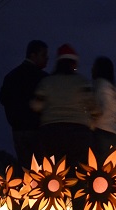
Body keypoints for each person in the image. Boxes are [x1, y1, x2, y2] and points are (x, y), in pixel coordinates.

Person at [31, 43, 98, 172]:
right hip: (79, 133)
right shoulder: (81, 82)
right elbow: (93, 106)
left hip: (51, 132)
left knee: (53, 173)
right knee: (78, 172)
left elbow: (35, 105)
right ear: (73, 64)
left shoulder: (47, 82)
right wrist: (93, 121)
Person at [0, 40, 49, 171]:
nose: (47, 59)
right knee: (43, 171)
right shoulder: (44, 78)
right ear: (33, 55)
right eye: (43, 55)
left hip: (18, 130)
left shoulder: (11, 76)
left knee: (26, 169)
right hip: (39, 130)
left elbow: (3, 98)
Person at [91, 56, 116, 161]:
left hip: (100, 132)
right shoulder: (114, 89)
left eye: (93, 67)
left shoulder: (98, 85)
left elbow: (96, 109)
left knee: (95, 171)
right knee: (109, 171)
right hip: (113, 133)